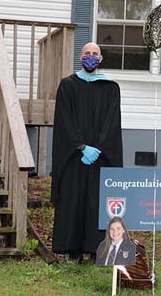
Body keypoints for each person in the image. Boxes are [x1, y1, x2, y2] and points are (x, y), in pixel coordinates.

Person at [51, 42, 123, 261]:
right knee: (73, 200)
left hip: (100, 157)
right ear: (80, 57)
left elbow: (112, 122)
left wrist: (98, 148)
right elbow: (64, 119)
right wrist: (81, 147)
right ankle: (72, 250)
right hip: (75, 156)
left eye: (95, 54)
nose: (91, 57)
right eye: (87, 53)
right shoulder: (67, 86)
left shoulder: (110, 88)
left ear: (100, 59)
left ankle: (96, 250)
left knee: (97, 202)